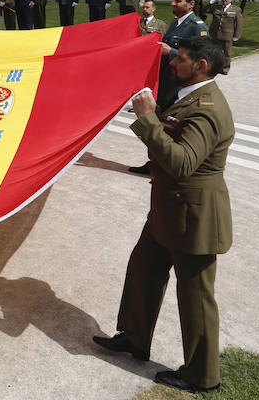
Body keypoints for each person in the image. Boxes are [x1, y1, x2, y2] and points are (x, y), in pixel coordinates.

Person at [93, 36, 233, 394]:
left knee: (196, 296)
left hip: (194, 219)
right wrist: (155, 117)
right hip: (168, 210)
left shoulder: (207, 108)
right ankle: (134, 338)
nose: (172, 62)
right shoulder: (190, 97)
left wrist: (147, 120)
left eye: (180, 59)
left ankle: (201, 376)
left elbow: (183, 162)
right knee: (143, 269)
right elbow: (173, 140)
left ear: (201, 65)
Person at [129, 0, 208, 174]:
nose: (173, 3)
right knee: (156, 120)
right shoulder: (175, 23)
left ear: (191, 4)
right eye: (174, 0)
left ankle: (163, 164)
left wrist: (170, 52)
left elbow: (201, 57)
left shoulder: (197, 27)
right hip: (164, 82)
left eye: (178, 1)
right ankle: (153, 161)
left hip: (178, 86)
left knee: (170, 126)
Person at [208, 0, 242, 75]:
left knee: (227, 53)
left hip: (228, 35)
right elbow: (204, 10)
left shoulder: (236, 9)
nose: (224, 0)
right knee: (215, 52)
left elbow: (239, 24)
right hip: (215, 34)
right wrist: (212, 2)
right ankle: (215, 67)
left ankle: (225, 68)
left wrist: (236, 35)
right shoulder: (216, 7)